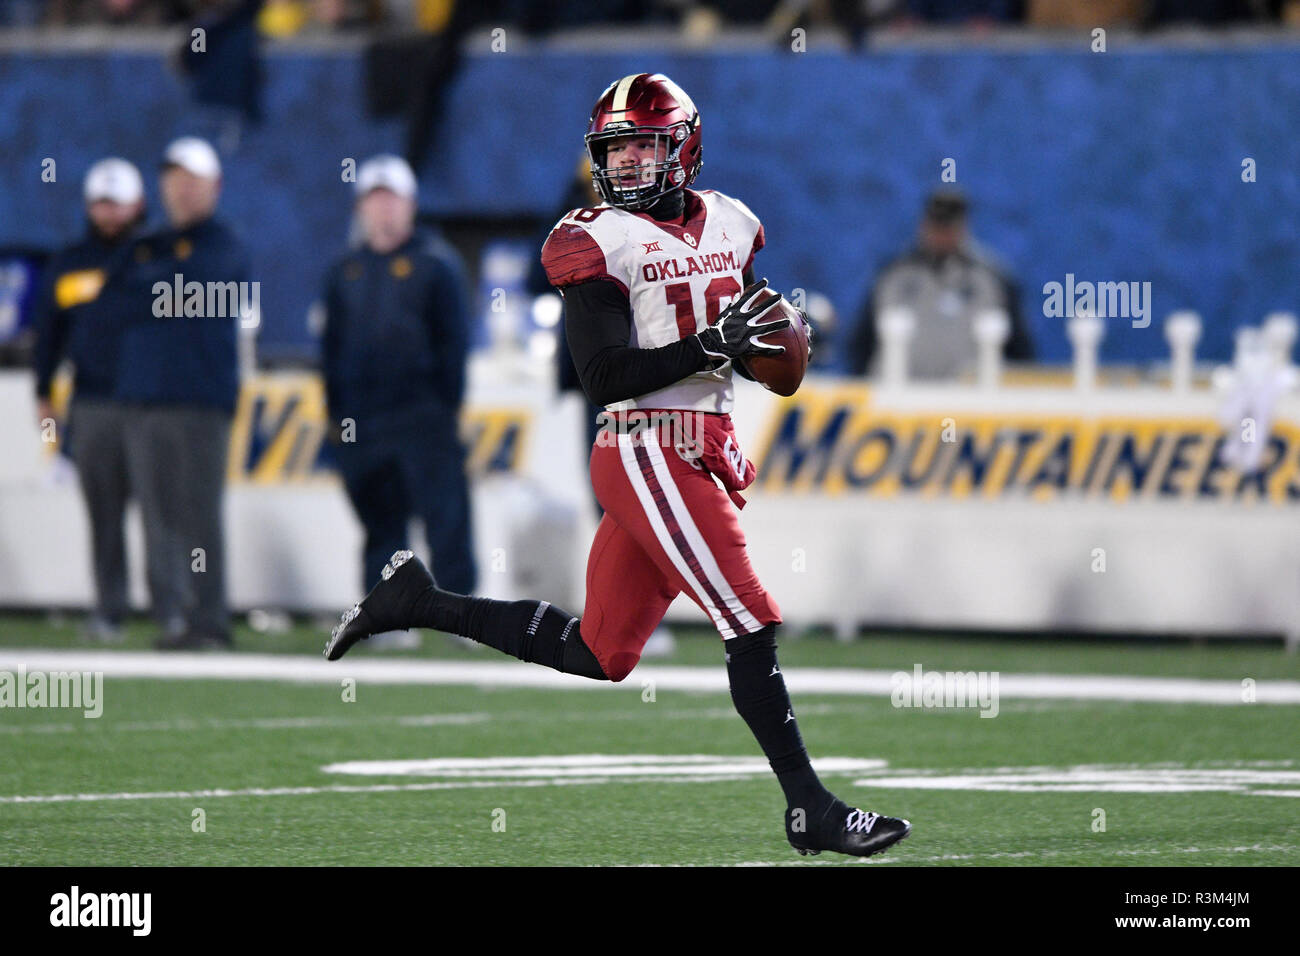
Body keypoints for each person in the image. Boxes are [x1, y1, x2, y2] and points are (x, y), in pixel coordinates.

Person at [324, 74, 911, 859]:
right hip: (644, 449)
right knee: (750, 618)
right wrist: (712, 346)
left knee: (601, 651)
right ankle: (811, 809)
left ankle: (419, 601)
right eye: (617, 146)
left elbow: (755, 325)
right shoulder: (596, 239)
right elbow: (602, 377)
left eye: (644, 144)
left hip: (700, 445)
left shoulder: (733, 225)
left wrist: (784, 337)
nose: (629, 161)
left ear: (683, 147)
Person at [320, 154, 476, 650]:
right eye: (375, 199)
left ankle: (462, 616)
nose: (384, 210)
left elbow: (454, 346)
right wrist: (339, 418)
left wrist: (441, 406)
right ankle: (387, 615)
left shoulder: (437, 264)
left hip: (422, 413)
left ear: (410, 205)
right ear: (361, 207)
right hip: (364, 420)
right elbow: (330, 352)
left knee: (445, 516)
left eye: (393, 199)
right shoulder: (344, 271)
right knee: (380, 521)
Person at [107, 136, 248, 649]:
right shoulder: (145, 246)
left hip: (198, 403)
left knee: (198, 516)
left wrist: (153, 285)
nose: (183, 191)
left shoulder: (225, 245)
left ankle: (208, 619)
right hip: (144, 400)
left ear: (214, 186)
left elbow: (198, 291)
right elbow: (113, 302)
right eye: (174, 181)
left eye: (194, 181)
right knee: (157, 514)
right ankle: (174, 615)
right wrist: (158, 284)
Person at [31, 158, 146, 641]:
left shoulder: (156, 257)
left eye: (117, 203)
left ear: (138, 205)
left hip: (152, 403)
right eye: (102, 202)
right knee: (104, 512)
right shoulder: (69, 262)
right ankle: (109, 608)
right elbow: (49, 335)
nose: (109, 212)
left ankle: (182, 610)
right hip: (93, 402)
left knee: (169, 514)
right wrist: (42, 392)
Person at [847, 188, 1035, 379]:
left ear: (963, 227)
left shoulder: (992, 280)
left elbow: (1020, 355)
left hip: (968, 403)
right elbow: (862, 346)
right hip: (900, 400)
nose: (942, 235)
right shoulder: (892, 276)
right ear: (924, 225)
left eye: (949, 227)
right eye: (936, 226)